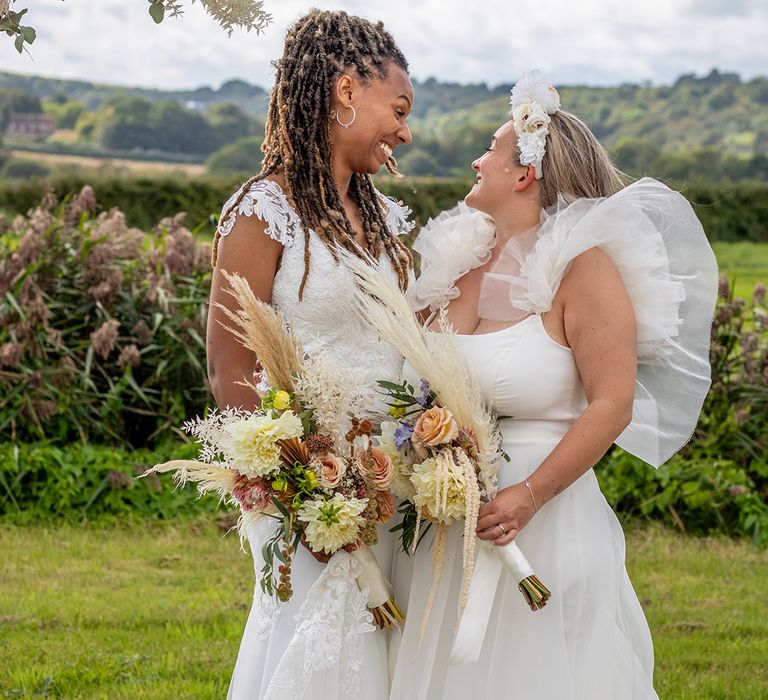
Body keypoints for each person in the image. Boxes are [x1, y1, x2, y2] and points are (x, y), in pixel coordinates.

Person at [389, 70, 718, 699]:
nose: (475, 160)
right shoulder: (454, 264)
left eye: (491, 148)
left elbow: (613, 402)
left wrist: (529, 497)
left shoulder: (584, 272)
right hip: (443, 522)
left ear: (524, 175)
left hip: (545, 520)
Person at [206, 10, 414, 699]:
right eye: (399, 108)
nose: (406, 133)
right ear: (347, 91)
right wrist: (293, 480)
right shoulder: (263, 211)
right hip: (307, 488)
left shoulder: (389, 220)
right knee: (317, 653)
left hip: (389, 485)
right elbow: (230, 366)